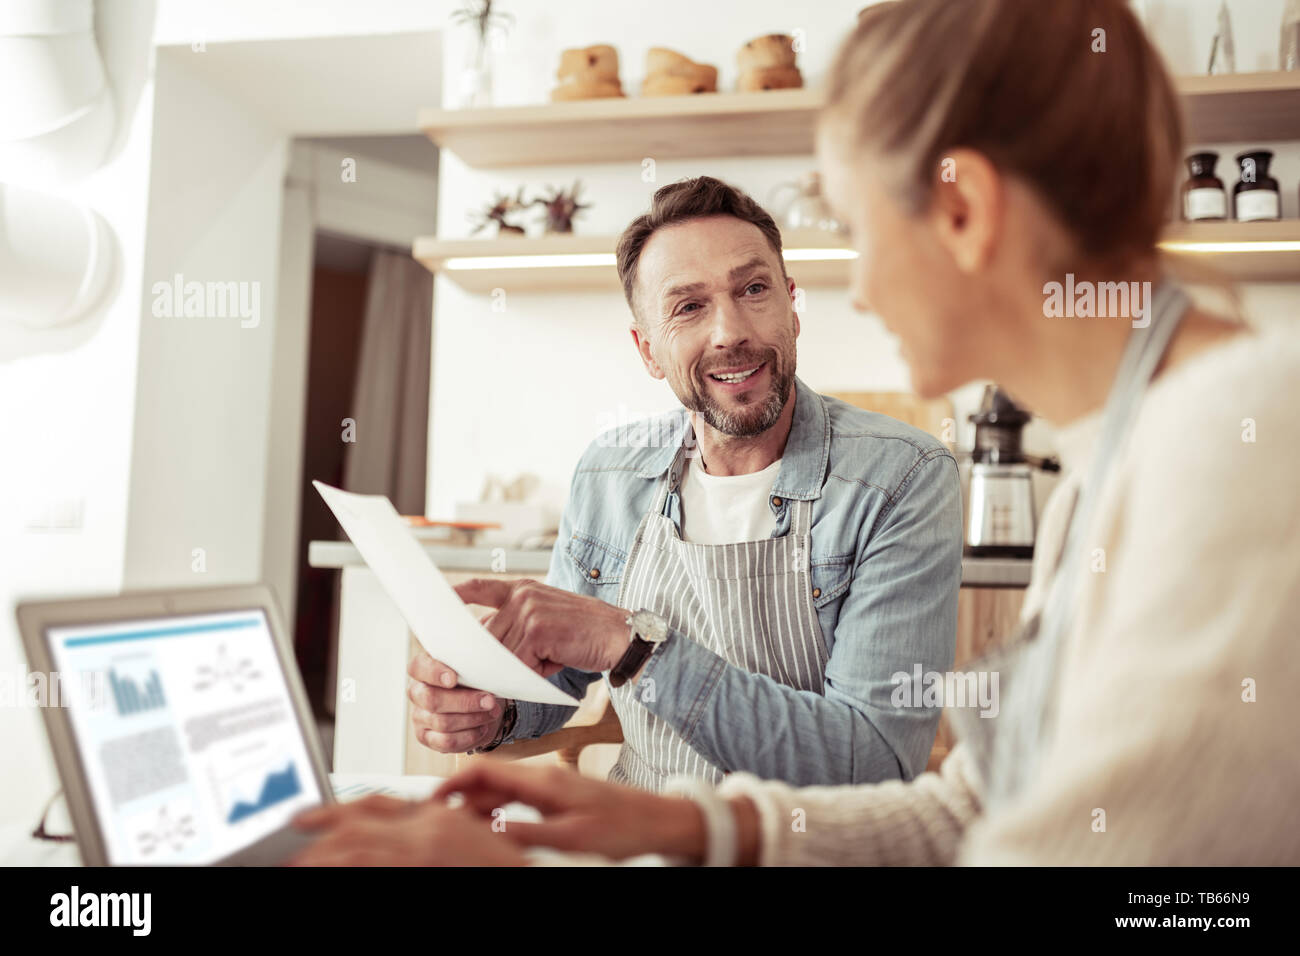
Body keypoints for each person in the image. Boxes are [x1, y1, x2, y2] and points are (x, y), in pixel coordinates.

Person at [292, 0, 1300, 865]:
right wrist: (671, 820)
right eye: (688, 306)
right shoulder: (1113, 454)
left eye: (856, 230)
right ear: (647, 345)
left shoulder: (1226, 454)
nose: (854, 286)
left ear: (963, 213)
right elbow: (975, 806)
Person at [406, 175, 964, 790]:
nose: (730, 331)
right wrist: (490, 709)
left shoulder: (903, 478)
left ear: (792, 308)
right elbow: (559, 682)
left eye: (754, 289)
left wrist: (635, 647)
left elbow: (873, 761)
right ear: (648, 351)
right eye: (688, 306)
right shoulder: (611, 472)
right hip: (636, 838)